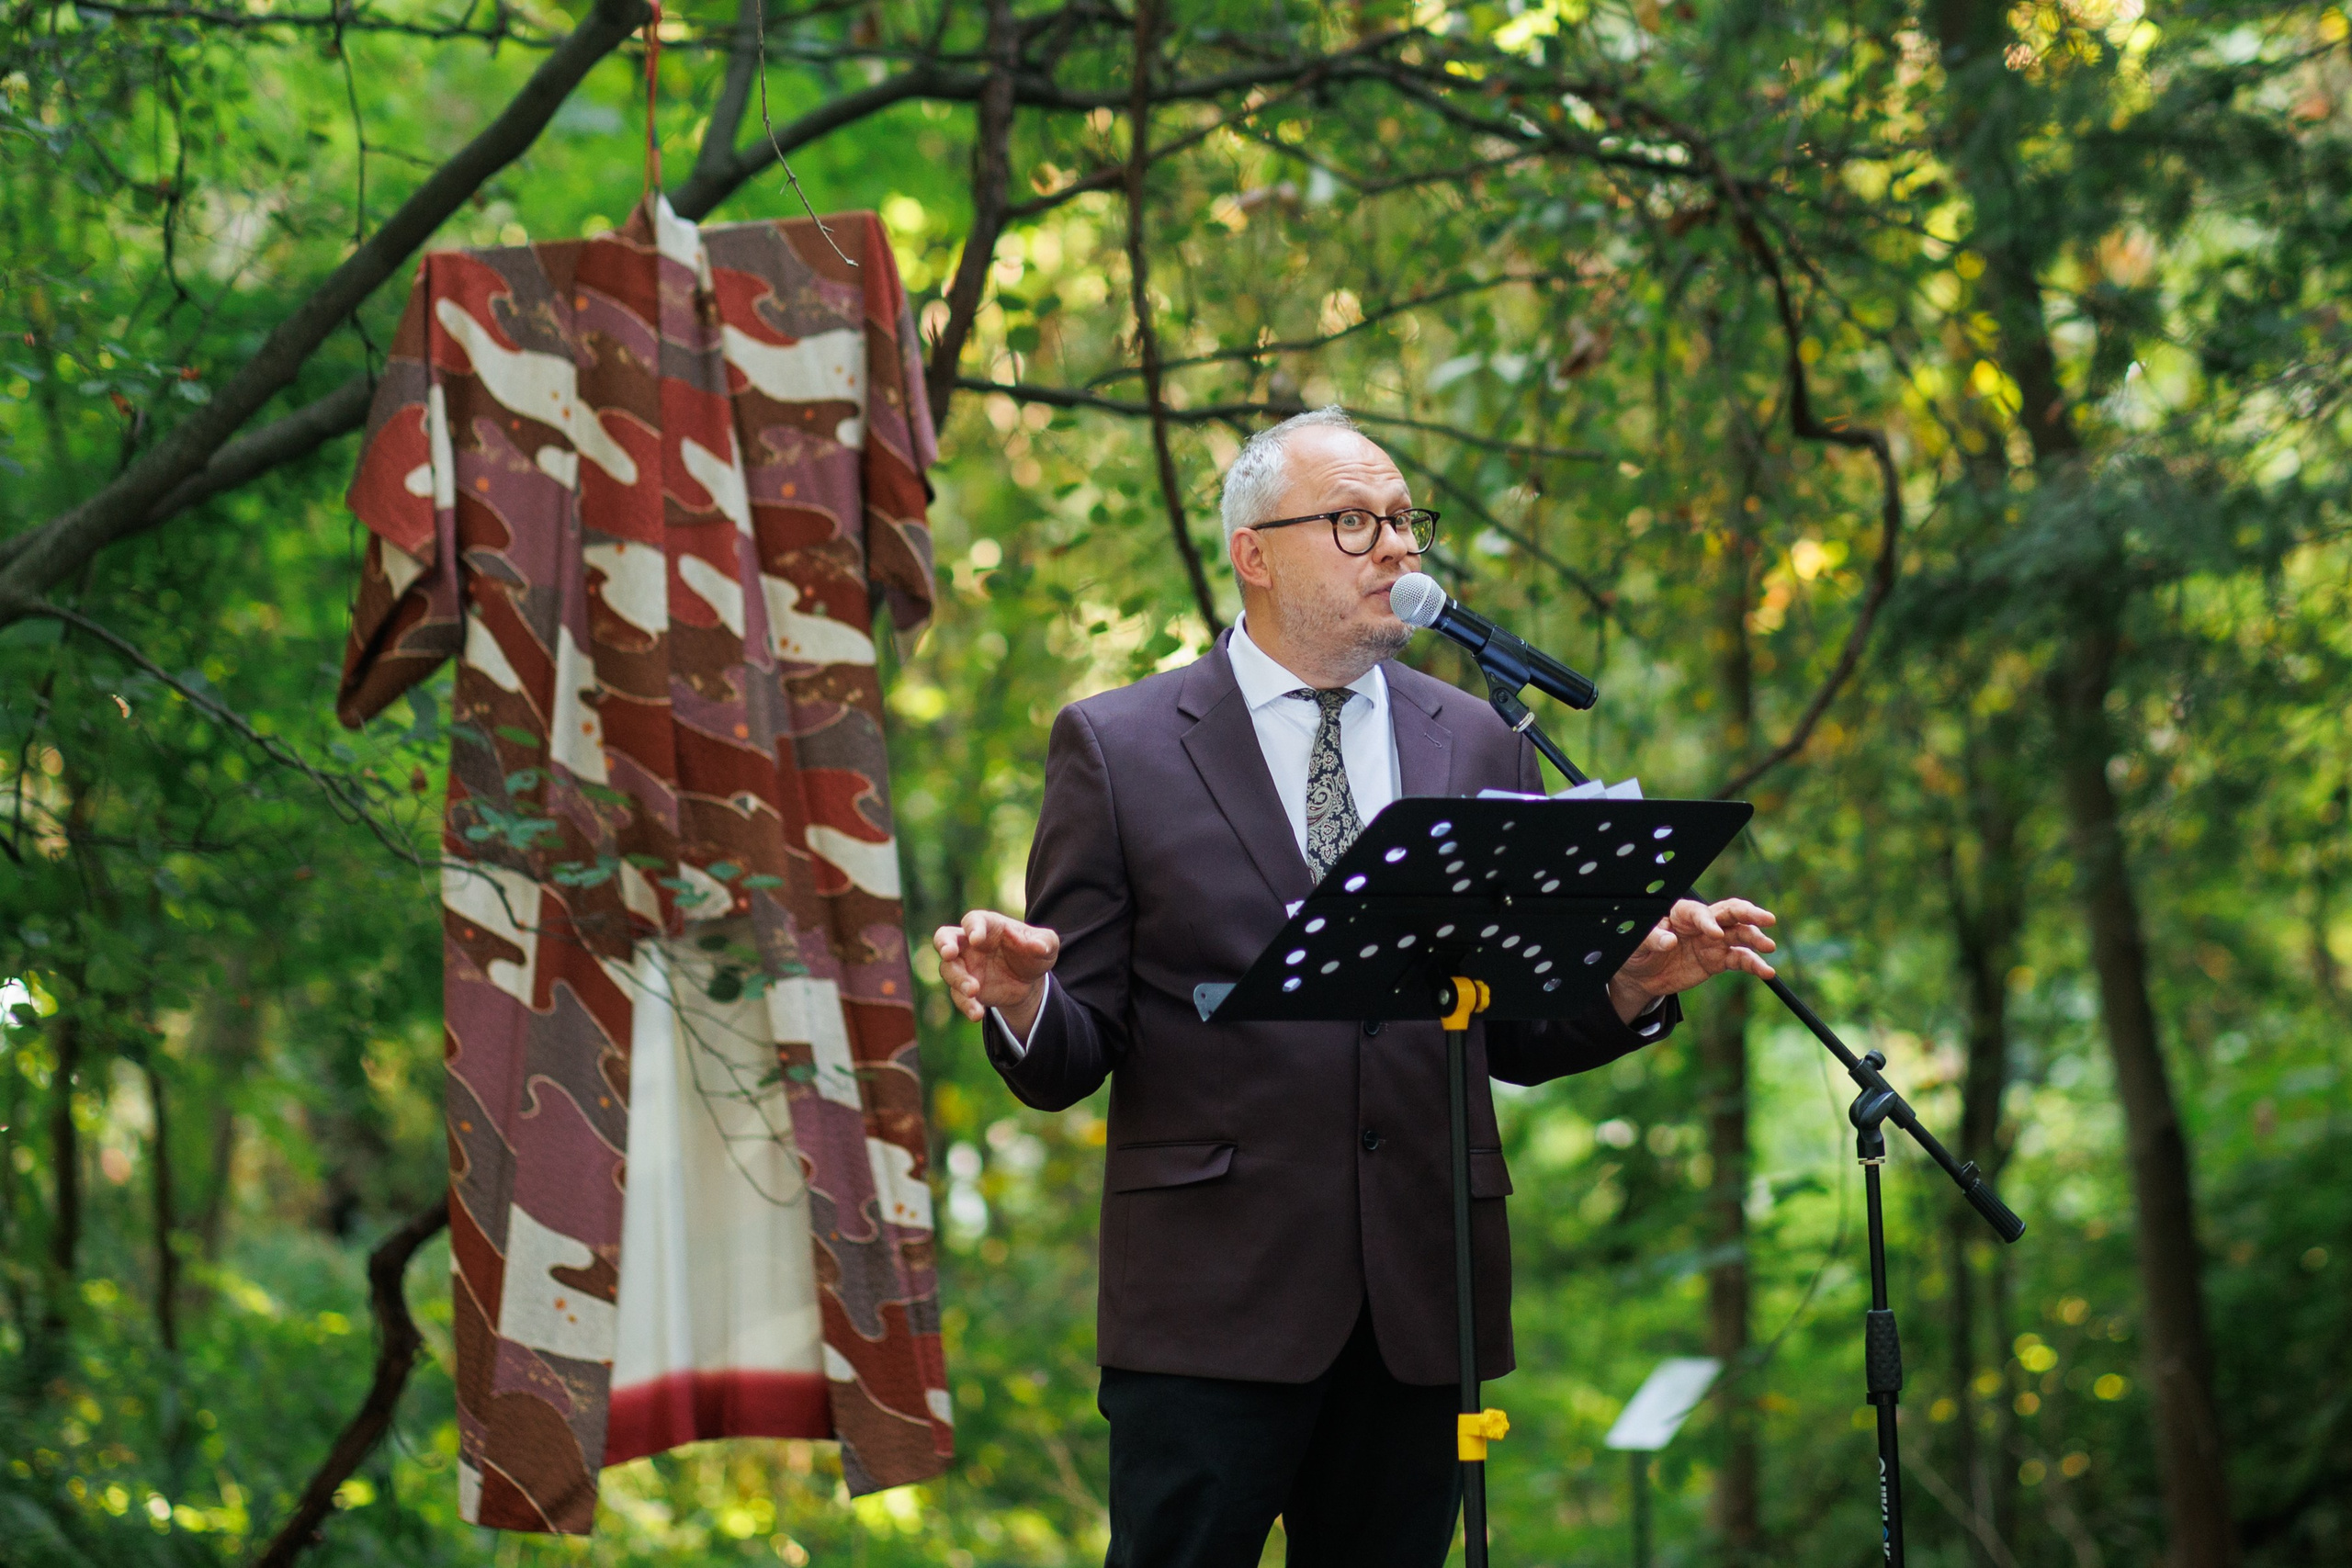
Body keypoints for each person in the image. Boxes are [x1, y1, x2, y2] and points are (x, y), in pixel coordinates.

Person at [933, 406, 1779, 1568]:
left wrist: (1631, 982)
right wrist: (1023, 1000)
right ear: (1254, 553)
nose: (1396, 547)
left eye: (1402, 520)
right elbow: (1077, 1050)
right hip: (1211, 1306)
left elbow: (1515, 1030)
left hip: (1424, 1301)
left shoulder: (1481, 740)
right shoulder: (1119, 747)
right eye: (1352, 521)